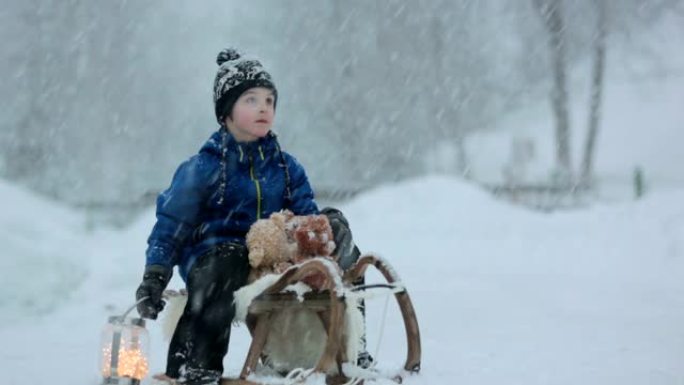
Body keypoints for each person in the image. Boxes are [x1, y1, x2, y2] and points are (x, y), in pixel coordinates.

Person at [134, 48, 368, 385]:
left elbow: (305, 218)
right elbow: (170, 226)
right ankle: (198, 366)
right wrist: (155, 275)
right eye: (251, 99)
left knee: (341, 242)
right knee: (228, 259)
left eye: (270, 101)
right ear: (226, 112)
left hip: (272, 257)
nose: (263, 108)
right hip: (214, 255)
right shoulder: (202, 169)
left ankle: (350, 352)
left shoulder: (286, 167)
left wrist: (324, 231)